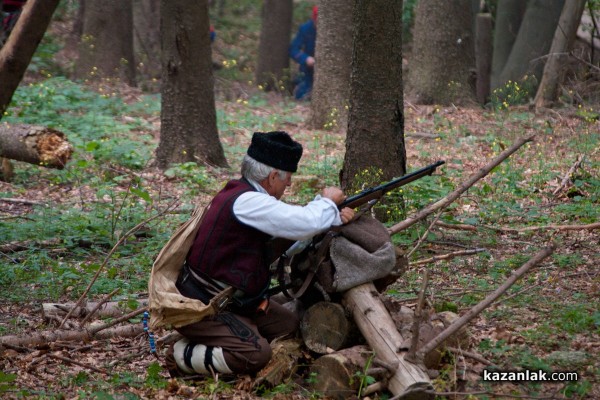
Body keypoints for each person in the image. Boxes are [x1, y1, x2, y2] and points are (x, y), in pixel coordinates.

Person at [165, 131, 355, 377]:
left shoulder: (248, 198)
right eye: (287, 178)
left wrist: (331, 218)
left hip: (234, 300)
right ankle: (180, 355)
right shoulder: (248, 202)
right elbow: (304, 222)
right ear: (273, 176)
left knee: (288, 326)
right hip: (205, 306)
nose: (289, 184)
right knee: (255, 354)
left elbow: (290, 239)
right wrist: (328, 202)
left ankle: (236, 334)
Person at [289, 6, 317, 100]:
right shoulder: (305, 29)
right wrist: (305, 58)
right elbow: (293, 49)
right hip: (308, 70)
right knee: (302, 94)